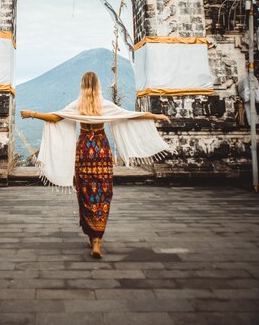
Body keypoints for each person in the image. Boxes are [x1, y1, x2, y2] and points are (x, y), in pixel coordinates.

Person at [21, 71, 170, 259]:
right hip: (101, 152)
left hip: (84, 152)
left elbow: (55, 118)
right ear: (98, 86)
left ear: (82, 86)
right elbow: (131, 116)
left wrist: (31, 114)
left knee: (86, 193)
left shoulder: (77, 106)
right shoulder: (105, 105)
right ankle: (97, 240)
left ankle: (93, 236)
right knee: (102, 192)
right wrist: (155, 116)